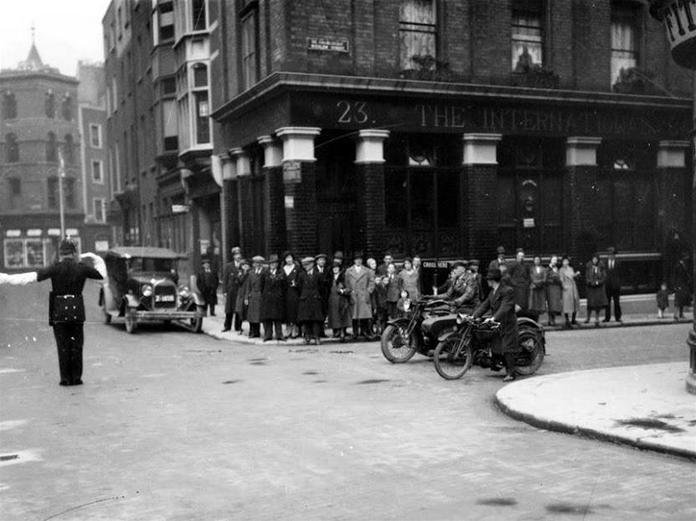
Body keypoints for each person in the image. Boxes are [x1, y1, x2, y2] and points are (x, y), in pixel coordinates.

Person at [0, 238, 106, 386]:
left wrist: (4, 278)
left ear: (60, 254)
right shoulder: (81, 268)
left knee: (63, 345)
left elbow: (31, 277)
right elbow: (102, 275)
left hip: (59, 311)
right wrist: (97, 259)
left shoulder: (55, 268)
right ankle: (76, 378)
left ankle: (65, 379)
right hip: (77, 311)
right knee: (76, 345)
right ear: (74, 253)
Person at [472, 267, 519, 382]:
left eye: (488, 279)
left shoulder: (507, 291)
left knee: (507, 347)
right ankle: (497, 364)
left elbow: (505, 307)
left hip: (507, 323)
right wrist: (473, 316)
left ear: (492, 280)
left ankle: (511, 373)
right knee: (496, 344)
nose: (487, 281)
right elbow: (484, 305)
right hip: (497, 323)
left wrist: (493, 318)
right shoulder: (492, 292)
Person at [344, 251, 376, 340]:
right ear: (354, 261)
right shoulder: (348, 271)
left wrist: (369, 291)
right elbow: (346, 283)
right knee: (354, 315)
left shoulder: (367, 270)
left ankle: (364, 331)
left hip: (363, 294)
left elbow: (371, 281)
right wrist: (350, 291)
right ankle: (355, 332)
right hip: (354, 294)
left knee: (364, 315)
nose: (358, 261)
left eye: (360, 260)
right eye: (356, 260)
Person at [297, 256, 324, 344]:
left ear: (312, 265)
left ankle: (316, 337)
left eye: (308, 265)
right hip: (305, 299)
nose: (306, 267)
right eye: (304, 265)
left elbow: (321, 287)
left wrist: (317, 295)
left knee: (316, 319)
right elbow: (299, 287)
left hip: (315, 298)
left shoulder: (318, 275)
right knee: (306, 319)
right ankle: (307, 336)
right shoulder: (301, 275)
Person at [260, 254, 286, 341]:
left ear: (277, 264)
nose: (273, 265)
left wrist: (280, 294)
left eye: (275, 263)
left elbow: (284, 286)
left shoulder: (281, 273)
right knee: (268, 318)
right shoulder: (265, 273)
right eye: (271, 263)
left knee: (277, 318)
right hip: (267, 298)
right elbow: (261, 285)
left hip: (277, 298)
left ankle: (279, 335)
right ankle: (268, 335)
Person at [327, 263, 351, 341]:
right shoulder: (330, 278)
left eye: (337, 268)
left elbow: (349, 288)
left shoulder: (344, 278)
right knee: (334, 316)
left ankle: (342, 332)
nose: (335, 269)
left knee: (343, 316)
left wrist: (342, 291)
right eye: (334, 268)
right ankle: (336, 331)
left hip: (342, 299)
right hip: (332, 300)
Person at [221, 246, 243, 332]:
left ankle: (238, 326)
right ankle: (227, 326)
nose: (238, 256)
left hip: (239, 290)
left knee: (238, 309)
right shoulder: (229, 266)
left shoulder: (242, 265)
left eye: (239, 254)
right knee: (229, 310)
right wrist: (224, 291)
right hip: (231, 291)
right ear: (233, 256)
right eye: (236, 255)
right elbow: (225, 279)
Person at [585, 253, 608, 326]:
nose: (594, 260)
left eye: (596, 259)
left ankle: (597, 318)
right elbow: (587, 276)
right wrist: (589, 282)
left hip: (598, 288)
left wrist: (598, 282)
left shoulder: (601, 266)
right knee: (590, 304)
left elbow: (604, 277)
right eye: (593, 259)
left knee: (597, 304)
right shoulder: (589, 266)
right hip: (591, 288)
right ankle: (588, 318)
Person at [282, 252, 301, 339]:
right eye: (287, 258)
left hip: (294, 292)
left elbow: (300, 279)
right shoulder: (283, 269)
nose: (289, 260)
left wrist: (296, 284)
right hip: (285, 292)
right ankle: (287, 329)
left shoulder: (297, 268)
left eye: (290, 258)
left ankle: (294, 330)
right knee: (286, 311)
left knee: (294, 310)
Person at [246, 256, 265, 338]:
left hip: (260, 295)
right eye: (256, 263)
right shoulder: (251, 273)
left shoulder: (264, 272)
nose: (257, 265)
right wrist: (246, 297)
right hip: (252, 295)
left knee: (258, 315)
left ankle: (258, 332)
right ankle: (252, 331)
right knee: (252, 315)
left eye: (259, 263)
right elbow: (248, 286)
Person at [560, 255, 580, 329]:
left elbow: (573, 276)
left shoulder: (571, 268)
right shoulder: (561, 270)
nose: (565, 262)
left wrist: (576, 275)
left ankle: (573, 319)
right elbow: (561, 279)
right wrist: (563, 286)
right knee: (567, 304)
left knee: (575, 303)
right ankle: (567, 320)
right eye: (564, 261)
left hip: (573, 286)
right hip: (566, 287)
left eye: (566, 261)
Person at [508, 248, 530, 313]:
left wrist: (527, 283)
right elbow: (508, 275)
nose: (521, 258)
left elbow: (528, 276)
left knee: (524, 303)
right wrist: (513, 283)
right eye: (520, 256)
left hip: (524, 287)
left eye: (522, 256)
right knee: (517, 303)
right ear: (517, 256)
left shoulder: (526, 265)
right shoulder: (512, 265)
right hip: (515, 287)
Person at [604, 246, 622, 323]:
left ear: (614, 255)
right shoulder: (605, 263)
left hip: (616, 286)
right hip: (607, 285)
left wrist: (619, 283)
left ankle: (617, 317)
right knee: (607, 302)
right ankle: (607, 317)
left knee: (616, 302)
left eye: (612, 254)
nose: (611, 256)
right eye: (609, 254)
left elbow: (621, 274)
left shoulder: (618, 263)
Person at [673, 253, 692, 321]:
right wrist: (675, 286)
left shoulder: (684, 265)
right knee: (678, 301)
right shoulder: (678, 266)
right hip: (679, 285)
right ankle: (675, 315)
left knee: (682, 300)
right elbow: (675, 276)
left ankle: (681, 314)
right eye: (685, 258)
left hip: (683, 285)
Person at [234, 259, 251, 333]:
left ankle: (251, 328)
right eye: (244, 265)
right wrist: (242, 274)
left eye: (247, 266)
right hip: (241, 293)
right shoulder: (240, 273)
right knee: (239, 310)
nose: (245, 267)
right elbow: (238, 282)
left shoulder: (251, 273)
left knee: (248, 311)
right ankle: (238, 327)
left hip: (247, 293)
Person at [545, 255, 562, 326]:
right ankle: (550, 319)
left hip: (556, 288)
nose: (555, 261)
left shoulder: (557, 268)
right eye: (553, 260)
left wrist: (559, 280)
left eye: (556, 260)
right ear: (551, 260)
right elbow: (545, 279)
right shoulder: (548, 269)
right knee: (551, 304)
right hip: (550, 288)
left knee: (555, 305)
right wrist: (552, 280)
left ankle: (554, 319)